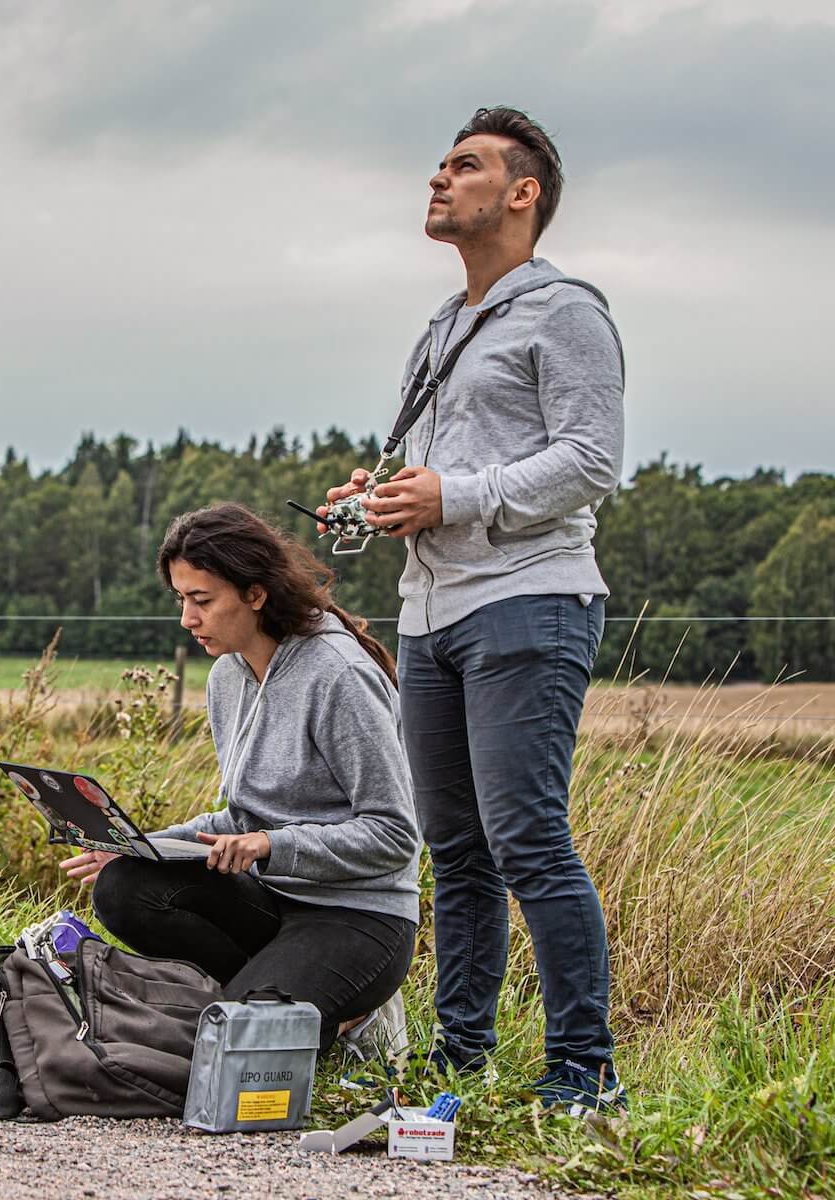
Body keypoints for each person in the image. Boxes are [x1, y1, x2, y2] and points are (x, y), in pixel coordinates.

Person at [321, 107, 626, 1111]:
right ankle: (463, 1061)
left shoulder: (566, 312)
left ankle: (582, 1076)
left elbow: (591, 460)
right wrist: (384, 497)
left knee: (528, 838)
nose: (437, 179)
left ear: (522, 193)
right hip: (430, 611)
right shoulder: (442, 328)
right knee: (454, 852)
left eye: (464, 166)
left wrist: (454, 496)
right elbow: (443, 473)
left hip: (528, 600)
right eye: (440, 165)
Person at [59, 502, 421, 1058]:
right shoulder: (227, 675)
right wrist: (137, 845)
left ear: (256, 593)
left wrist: (271, 845)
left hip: (359, 917)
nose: (187, 618)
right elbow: (238, 818)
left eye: (202, 600)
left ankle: (348, 1016)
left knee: (230, 1043)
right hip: (272, 902)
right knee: (124, 884)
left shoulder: (340, 675)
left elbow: (394, 836)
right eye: (180, 599)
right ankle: (269, 1000)